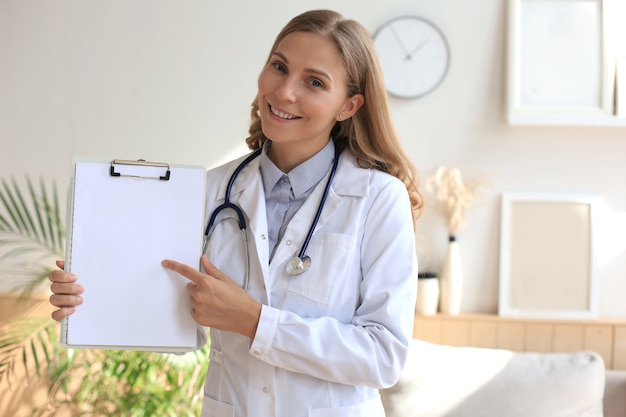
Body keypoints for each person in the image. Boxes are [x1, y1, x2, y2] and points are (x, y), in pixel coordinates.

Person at [49, 9, 423, 417]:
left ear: (348, 106)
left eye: (314, 82)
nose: (284, 92)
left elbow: (384, 356)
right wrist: (91, 292)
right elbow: (166, 309)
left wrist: (256, 322)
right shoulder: (210, 189)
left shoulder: (378, 199)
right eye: (279, 67)